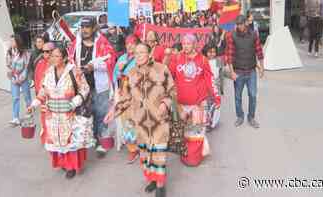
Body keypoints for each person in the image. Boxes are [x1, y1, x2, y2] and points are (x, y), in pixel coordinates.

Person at [104, 43, 176, 197]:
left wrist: (165, 103)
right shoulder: (131, 74)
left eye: (142, 52)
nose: (138, 55)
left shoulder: (162, 69)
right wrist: (113, 111)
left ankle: (161, 185)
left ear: (150, 54)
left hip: (159, 121)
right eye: (136, 53)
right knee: (145, 154)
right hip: (141, 122)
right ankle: (151, 179)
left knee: (159, 154)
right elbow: (125, 97)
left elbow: (172, 90)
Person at [28, 47, 94, 179]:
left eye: (57, 56)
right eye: (52, 56)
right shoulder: (48, 72)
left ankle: (71, 167)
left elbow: (85, 88)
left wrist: (74, 102)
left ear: (64, 58)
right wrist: (34, 104)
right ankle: (63, 163)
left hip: (70, 114)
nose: (53, 58)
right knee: (56, 141)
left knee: (70, 140)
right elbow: (43, 91)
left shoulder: (74, 71)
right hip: (52, 115)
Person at [68, 16, 117, 156]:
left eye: (87, 27)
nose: (84, 30)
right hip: (81, 87)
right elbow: (70, 60)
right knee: (84, 114)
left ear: (94, 27)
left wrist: (93, 66)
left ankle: (101, 141)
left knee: (101, 113)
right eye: (82, 27)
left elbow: (110, 59)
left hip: (99, 86)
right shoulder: (75, 43)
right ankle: (90, 138)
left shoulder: (102, 42)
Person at [168, 34, 221, 164]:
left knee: (196, 131)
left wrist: (216, 97)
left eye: (188, 43)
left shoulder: (203, 60)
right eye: (184, 43)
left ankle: (195, 157)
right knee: (184, 130)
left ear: (194, 45)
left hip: (199, 103)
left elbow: (210, 80)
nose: (186, 46)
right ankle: (186, 154)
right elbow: (169, 76)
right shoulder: (177, 58)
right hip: (181, 104)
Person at [225, 15, 264, 128]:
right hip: (238, 72)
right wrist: (232, 72)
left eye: (241, 24)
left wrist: (262, 67)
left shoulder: (253, 34)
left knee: (252, 95)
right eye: (237, 24)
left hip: (251, 71)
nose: (239, 26)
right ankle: (240, 116)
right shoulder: (232, 35)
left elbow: (259, 52)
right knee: (238, 96)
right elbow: (230, 55)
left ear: (246, 23)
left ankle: (251, 117)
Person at [112, 35, 139, 163]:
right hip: (124, 93)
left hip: (138, 94)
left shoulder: (141, 57)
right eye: (127, 44)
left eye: (132, 43)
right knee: (127, 121)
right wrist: (120, 72)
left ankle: (143, 146)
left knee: (140, 120)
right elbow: (115, 76)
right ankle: (132, 149)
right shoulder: (122, 58)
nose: (129, 46)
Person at [6, 34, 32, 126]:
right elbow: (8, 65)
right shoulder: (9, 52)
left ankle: (30, 110)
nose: (11, 42)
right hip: (13, 78)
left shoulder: (25, 53)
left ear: (17, 42)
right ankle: (15, 117)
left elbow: (26, 67)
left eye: (12, 41)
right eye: (10, 41)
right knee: (15, 98)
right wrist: (12, 76)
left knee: (27, 96)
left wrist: (21, 77)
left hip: (23, 78)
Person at [34, 42, 55, 144]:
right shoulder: (40, 63)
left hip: (56, 100)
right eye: (43, 52)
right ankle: (47, 139)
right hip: (43, 98)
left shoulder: (59, 64)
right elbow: (37, 79)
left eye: (47, 51)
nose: (44, 54)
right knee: (44, 118)